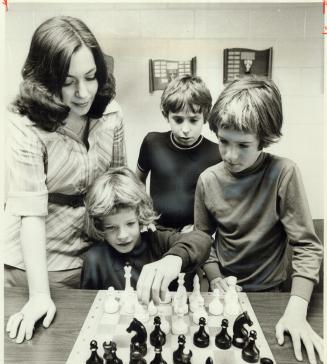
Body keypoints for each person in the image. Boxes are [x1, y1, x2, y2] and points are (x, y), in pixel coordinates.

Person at [5, 16, 126, 343]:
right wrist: (40, 295)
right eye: (68, 81)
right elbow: (31, 212)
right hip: (41, 263)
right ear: (45, 80)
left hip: (95, 254)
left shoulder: (112, 113)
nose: (83, 92)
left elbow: (117, 181)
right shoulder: (25, 125)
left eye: (90, 77)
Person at [194, 77, 323, 364]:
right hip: (222, 293)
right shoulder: (208, 180)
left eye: (243, 145)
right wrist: (215, 279)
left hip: (271, 296)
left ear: (263, 140)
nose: (230, 155)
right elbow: (203, 240)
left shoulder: (284, 173)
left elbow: (307, 246)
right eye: (223, 142)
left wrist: (297, 308)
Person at [80, 167, 212, 304]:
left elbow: (203, 240)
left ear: (140, 217)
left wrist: (174, 258)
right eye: (111, 228)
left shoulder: (158, 241)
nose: (122, 235)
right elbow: (87, 308)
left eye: (130, 223)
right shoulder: (94, 259)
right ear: (99, 224)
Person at [135, 75, 221, 231]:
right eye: (178, 120)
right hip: (155, 230)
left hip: (194, 234)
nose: (186, 130)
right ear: (166, 114)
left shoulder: (217, 153)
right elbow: (137, 184)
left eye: (194, 120)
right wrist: (144, 217)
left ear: (205, 116)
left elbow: (221, 203)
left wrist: (200, 226)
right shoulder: (152, 142)